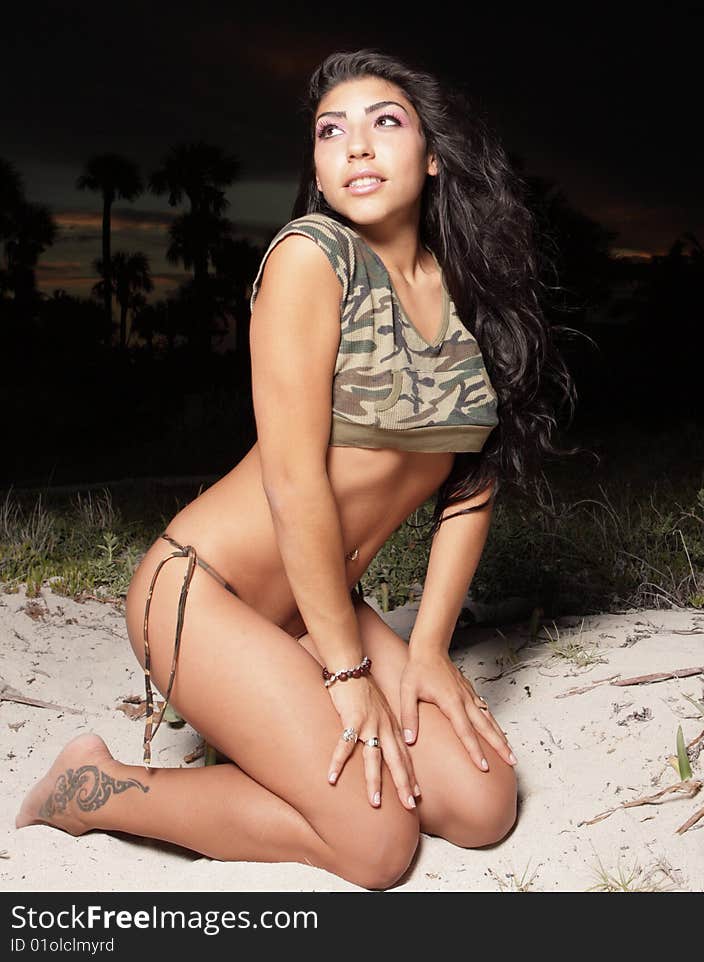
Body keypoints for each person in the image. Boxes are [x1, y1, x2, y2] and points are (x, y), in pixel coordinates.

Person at [16, 48, 579, 890]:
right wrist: (348, 673)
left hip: (317, 610)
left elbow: (471, 482)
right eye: (331, 130)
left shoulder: (471, 294)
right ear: (317, 167)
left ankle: (283, 714)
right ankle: (96, 789)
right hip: (203, 594)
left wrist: (425, 649)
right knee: (378, 846)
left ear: (431, 155)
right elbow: (294, 481)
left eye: (384, 121)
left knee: (482, 804)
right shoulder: (311, 259)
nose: (355, 145)